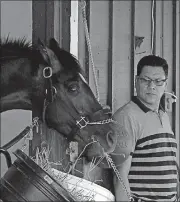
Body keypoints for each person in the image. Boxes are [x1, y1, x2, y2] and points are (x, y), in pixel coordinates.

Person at [113, 55, 178, 202]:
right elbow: (120, 176)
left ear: (165, 84)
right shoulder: (126, 117)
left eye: (158, 81)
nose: (152, 86)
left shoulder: (163, 115)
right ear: (136, 81)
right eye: (145, 80)